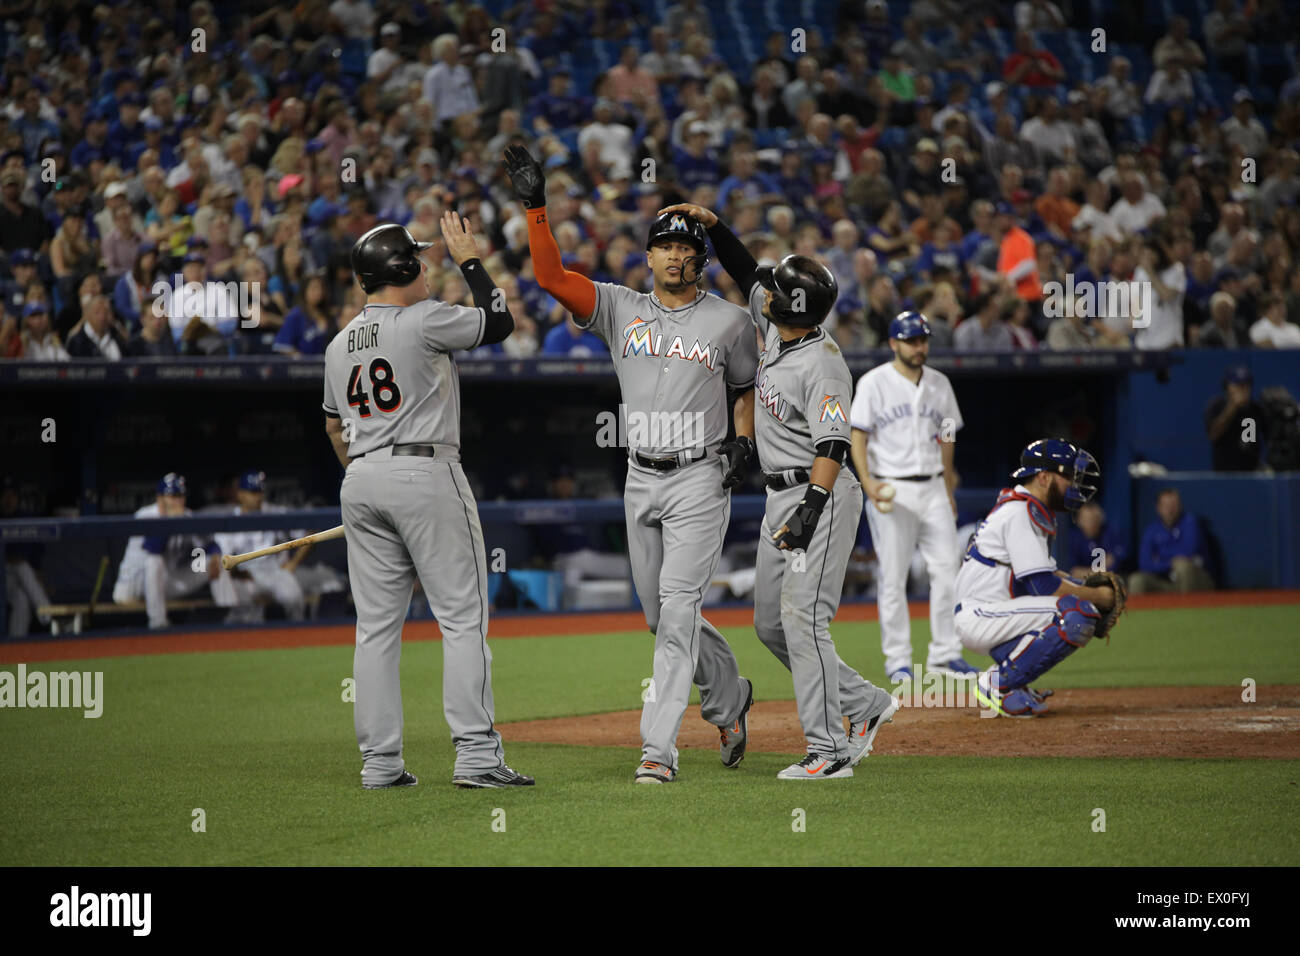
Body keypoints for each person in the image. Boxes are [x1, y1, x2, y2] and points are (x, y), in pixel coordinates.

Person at [505, 145, 757, 785]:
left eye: (687, 246)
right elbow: (551, 278)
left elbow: (745, 386)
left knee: (676, 613)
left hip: (700, 475)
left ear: (701, 257)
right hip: (639, 475)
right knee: (657, 614)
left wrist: (742, 440)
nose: (676, 255)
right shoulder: (621, 307)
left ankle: (658, 750)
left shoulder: (730, 321)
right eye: (665, 246)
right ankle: (730, 700)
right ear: (648, 256)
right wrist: (536, 209)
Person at [663, 201, 899, 780]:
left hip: (819, 494)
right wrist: (715, 227)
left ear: (788, 304)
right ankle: (864, 704)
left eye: (776, 286)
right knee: (770, 623)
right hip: (779, 493)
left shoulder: (823, 364)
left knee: (803, 619)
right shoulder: (776, 325)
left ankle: (828, 751)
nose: (763, 288)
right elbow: (747, 271)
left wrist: (809, 514)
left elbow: (833, 447)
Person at [323, 217, 532, 790]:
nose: (426, 265)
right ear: (404, 269)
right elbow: (499, 321)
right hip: (424, 469)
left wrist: (371, 478)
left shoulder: (338, 344)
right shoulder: (424, 318)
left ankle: (381, 764)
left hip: (361, 478)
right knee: (463, 619)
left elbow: (333, 427)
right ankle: (476, 758)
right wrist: (470, 259)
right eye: (417, 258)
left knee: (375, 630)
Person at [848, 311, 978, 684]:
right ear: (894, 343)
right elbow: (858, 435)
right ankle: (898, 660)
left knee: (948, 570)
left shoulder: (940, 384)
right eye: (911, 340)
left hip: (934, 485)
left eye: (923, 340)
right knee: (893, 576)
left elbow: (949, 435)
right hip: (892, 488)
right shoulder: (874, 383)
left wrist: (949, 487)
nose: (919, 346)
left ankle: (946, 654)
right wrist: (867, 481)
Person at [954, 439, 1120, 717]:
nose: (1074, 486)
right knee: (1077, 613)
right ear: (1044, 478)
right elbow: (1042, 585)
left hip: (993, 612)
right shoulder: (1019, 512)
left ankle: (1013, 682)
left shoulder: (1026, 508)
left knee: (1074, 606)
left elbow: (1048, 576)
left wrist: (1081, 584)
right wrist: (1098, 596)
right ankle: (999, 684)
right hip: (982, 614)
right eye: (1069, 477)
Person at [111, 473, 237, 630]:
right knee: (154, 561)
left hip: (167, 582)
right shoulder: (145, 515)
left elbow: (208, 544)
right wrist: (170, 521)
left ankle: (231, 619)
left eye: (181, 495)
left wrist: (215, 554)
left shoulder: (186, 516)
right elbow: (154, 548)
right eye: (173, 496)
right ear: (159, 498)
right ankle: (158, 623)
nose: (178, 500)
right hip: (134, 585)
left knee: (218, 562)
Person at [212, 471, 307, 623]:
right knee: (245, 613)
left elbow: (310, 532)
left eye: (259, 491)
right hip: (245, 573)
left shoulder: (275, 512)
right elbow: (224, 558)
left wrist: (293, 563)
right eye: (252, 492)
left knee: (293, 597)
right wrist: (237, 573)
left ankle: (301, 637)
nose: (258, 497)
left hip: (274, 570)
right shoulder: (230, 519)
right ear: (240, 494)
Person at [1129, 488, 1214, 594]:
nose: (1170, 510)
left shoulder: (1190, 523)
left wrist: (1159, 559)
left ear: (1180, 506)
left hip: (1197, 580)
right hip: (1166, 580)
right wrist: (1170, 563)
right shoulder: (1151, 530)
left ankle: (1188, 608)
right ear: (1158, 508)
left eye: (1173, 505)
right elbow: (1144, 564)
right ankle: (1137, 610)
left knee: (1182, 567)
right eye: (1165, 506)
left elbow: (1188, 553)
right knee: (1137, 580)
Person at [1205, 365, 1264, 471]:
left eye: (1245, 385)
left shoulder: (1256, 409)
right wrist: (1232, 407)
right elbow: (1213, 435)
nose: (1241, 389)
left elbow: (1267, 437)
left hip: (1251, 471)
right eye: (1237, 385)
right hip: (1225, 472)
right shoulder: (1217, 406)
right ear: (1227, 387)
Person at [1065, 501, 1128, 579]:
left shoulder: (1112, 532)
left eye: (1095, 519)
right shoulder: (1074, 538)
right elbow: (1074, 571)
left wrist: (1088, 572)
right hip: (1084, 581)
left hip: (1111, 579)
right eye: (1087, 520)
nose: (1092, 523)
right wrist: (1094, 573)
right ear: (1079, 521)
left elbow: (1113, 563)